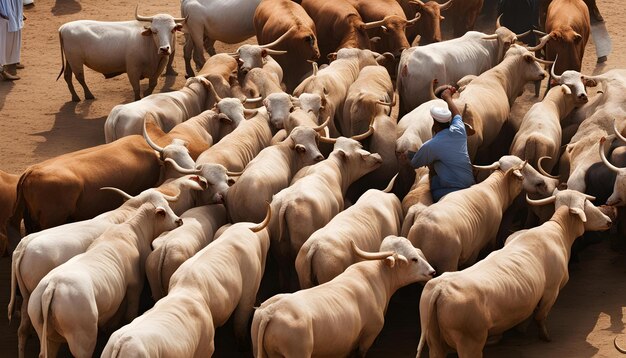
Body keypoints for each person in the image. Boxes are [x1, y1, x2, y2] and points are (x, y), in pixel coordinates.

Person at [406, 86, 475, 202]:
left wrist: (406, 156)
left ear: (435, 124)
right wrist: (448, 98)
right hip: (469, 185)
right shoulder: (459, 129)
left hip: (449, 191)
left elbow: (415, 163)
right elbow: (457, 114)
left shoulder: (432, 145)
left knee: (431, 183)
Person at [0, 0, 24, 81]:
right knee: (2, 39)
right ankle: (1, 71)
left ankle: (11, 61)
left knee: (12, 36)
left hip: (13, 8)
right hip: (4, 10)